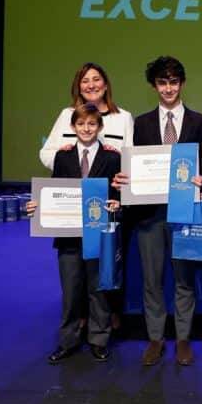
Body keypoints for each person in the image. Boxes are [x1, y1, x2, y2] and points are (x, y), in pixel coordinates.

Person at [112, 56, 202, 366]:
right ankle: (155, 338)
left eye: (173, 82)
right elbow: (134, 164)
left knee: (184, 280)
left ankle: (183, 339)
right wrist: (124, 178)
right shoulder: (140, 123)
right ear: (154, 85)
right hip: (149, 214)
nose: (168, 88)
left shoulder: (199, 121)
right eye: (162, 82)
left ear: (182, 83)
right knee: (151, 280)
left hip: (184, 212)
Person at [40, 62, 133, 331]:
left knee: (105, 263)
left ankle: (106, 317)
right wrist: (68, 160)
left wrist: (121, 176)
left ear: (105, 84)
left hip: (106, 204)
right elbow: (47, 153)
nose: (91, 85)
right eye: (85, 80)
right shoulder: (67, 115)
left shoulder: (123, 117)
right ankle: (79, 318)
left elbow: (129, 157)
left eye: (96, 79)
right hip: (70, 204)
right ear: (78, 86)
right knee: (73, 268)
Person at [27, 103, 121, 364]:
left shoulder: (112, 158)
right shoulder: (63, 157)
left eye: (92, 124)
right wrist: (38, 206)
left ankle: (99, 340)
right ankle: (67, 341)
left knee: (98, 290)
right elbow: (54, 191)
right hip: (68, 237)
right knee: (70, 292)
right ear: (72, 127)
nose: (86, 129)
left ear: (100, 127)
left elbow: (118, 193)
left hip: (99, 235)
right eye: (81, 124)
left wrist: (118, 204)